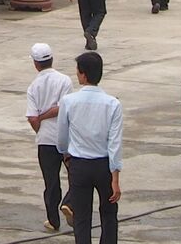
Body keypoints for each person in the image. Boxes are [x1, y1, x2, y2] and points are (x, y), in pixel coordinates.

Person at [55, 51, 123, 244]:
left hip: (79, 165)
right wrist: (116, 177)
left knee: (82, 217)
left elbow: (61, 138)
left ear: (83, 74)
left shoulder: (69, 102)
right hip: (104, 166)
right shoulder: (113, 104)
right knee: (109, 214)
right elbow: (115, 143)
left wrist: (66, 155)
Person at [24, 43, 75, 232]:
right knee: (75, 175)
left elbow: (32, 117)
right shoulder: (65, 81)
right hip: (67, 137)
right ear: (51, 59)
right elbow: (64, 107)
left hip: (45, 139)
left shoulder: (33, 87)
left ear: (36, 64)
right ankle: (70, 203)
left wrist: (41, 124)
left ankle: (53, 221)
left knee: (51, 182)